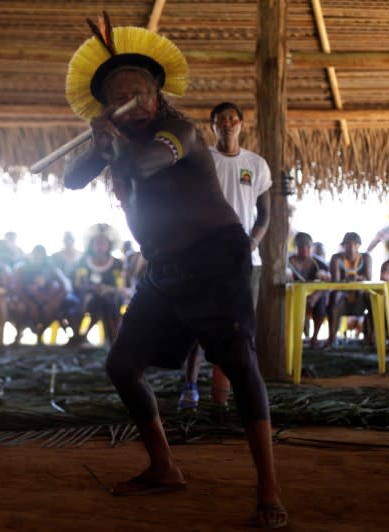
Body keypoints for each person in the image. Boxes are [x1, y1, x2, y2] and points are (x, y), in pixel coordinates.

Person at [62, 16, 286, 527]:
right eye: (119, 94)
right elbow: (72, 180)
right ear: (106, 105)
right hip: (164, 269)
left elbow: (143, 166)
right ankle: (164, 466)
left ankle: (269, 489)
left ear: (157, 95)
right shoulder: (114, 139)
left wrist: (111, 144)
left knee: (240, 364)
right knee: (122, 367)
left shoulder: (178, 132)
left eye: (139, 91)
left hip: (217, 259)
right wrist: (97, 143)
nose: (132, 99)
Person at [178, 100, 272, 409]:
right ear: (213, 126)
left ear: (242, 125)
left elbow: (264, 216)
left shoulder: (256, 165)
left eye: (233, 119)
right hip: (208, 259)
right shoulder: (204, 161)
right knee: (200, 325)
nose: (228, 123)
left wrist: (250, 245)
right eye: (221, 120)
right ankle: (190, 385)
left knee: (240, 329)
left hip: (246, 262)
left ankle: (224, 395)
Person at [327, 232, 373, 346]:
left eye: (355, 244)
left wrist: (358, 278)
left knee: (371, 296)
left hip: (360, 298)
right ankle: (332, 337)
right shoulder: (336, 258)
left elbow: (368, 280)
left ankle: (372, 336)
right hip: (342, 298)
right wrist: (347, 280)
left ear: (359, 246)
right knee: (334, 295)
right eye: (348, 245)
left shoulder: (366, 258)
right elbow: (335, 282)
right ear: (343, 246)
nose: (352, 248)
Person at [286, 232, 330, 347]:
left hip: (312, 299)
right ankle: (294, 338)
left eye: (308, 246)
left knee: (321, 300)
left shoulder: (319, 263)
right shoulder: (289, 262)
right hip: (294, 298)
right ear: (296, 247)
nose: (305, 249)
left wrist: (315, 296)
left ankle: (314, 337)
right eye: (301, 246)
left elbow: (328, 281)